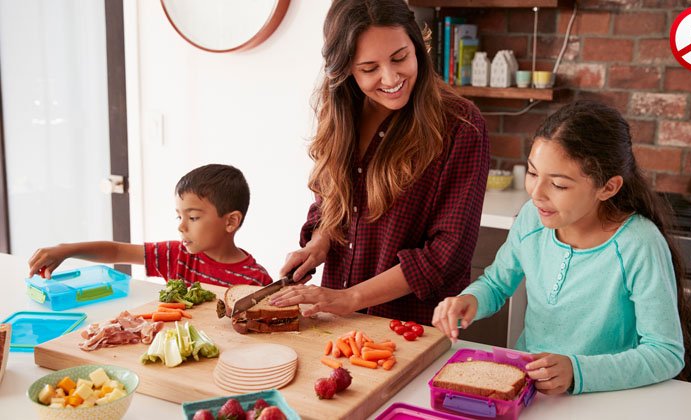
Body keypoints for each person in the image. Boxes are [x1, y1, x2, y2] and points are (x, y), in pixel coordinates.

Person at [432, 100, 690, 395]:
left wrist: (577, 372)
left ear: (608, 187)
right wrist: (471, 300)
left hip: (607, 398)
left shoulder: (638, 244)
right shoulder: (532, 218)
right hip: (531, 390)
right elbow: (496, 283)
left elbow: (665, 354)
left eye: (559, 184)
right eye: (532, 173)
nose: (537, 193)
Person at [270, 0, 489, 325]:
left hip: (412, 329)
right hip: (337, 323)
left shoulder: (460, 125)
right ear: (345, 69)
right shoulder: (340, 114)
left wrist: (351, 298)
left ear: (417, 45)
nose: (391, 77)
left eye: (400, 57)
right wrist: (318, 244)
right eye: (369, 68)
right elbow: (331, 202)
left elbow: (446, 254)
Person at [28, 164, 272, 287]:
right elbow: (117, 251)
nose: (181, 227)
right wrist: (66, 250)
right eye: (179, 217)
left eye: (193, 218)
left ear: (230, 221)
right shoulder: (177, 256)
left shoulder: (254, 280)